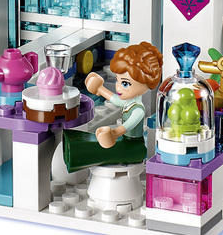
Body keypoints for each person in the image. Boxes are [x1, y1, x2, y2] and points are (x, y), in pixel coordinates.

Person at [62, 41, 162, 170]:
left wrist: (114, 133)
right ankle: (74, 148)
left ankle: (77, 154)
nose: (118, 87)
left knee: (95, 149)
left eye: (125, 83)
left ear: (146, 84)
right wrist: (100, 89)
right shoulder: (129, 102)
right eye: (118, 80)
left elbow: (127, 126)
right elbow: (115, 99)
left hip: (134, 147)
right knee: (90, 141)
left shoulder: (138, 110)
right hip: (126, 143)